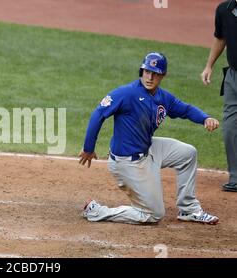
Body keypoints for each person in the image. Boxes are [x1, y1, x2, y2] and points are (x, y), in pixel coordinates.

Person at [79, 52, 220, 225]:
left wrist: (205, 118)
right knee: (154, 214)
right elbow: (98, 114)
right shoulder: (126, 94)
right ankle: (98, 211)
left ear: (163, 75)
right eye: (147, 72)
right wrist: (88, 147)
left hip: (148, 149)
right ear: (142, 71)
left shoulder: (163, 97)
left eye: (155, 73)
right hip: (128, 163)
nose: (150, 77)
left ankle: (188, 209)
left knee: (188, 153)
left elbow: (185, 109)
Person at [201, 0, 237, 192]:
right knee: (230, 127)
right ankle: (236, 177)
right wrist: (209, 66)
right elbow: (220, 38)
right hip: (232, 76)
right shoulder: (224, 9)